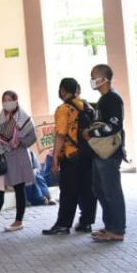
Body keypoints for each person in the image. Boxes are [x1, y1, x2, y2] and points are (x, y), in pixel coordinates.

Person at [44, 78, 97, 235]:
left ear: (62, 91)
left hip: (71, 155)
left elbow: (61, 135)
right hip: (88, 154)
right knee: (87, 190)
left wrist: (55, 158)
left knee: (68, 191)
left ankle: (63, 224)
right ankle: (86, 222)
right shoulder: (87, 106)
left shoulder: (64, 109)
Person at [0, 91, 38, 232]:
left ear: (16, 100)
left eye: (9, 100)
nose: (7, 102)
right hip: (3, 156)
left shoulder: (25, 118)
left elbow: (32, 137)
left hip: (18, 155)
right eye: (4, 100)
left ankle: (18, 221)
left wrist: (19, 142)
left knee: (19, 188)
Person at [87, 64, 127, 242]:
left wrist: (92, 134)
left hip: (109, 153)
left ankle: (117, 229)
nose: (92, 80)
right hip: (99, 152)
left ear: (104, 79)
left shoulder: (112, 99)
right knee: (100, 189)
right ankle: (109, 225)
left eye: (94, 76)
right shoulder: (103, 99)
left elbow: (114, 125)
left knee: (111, 191)